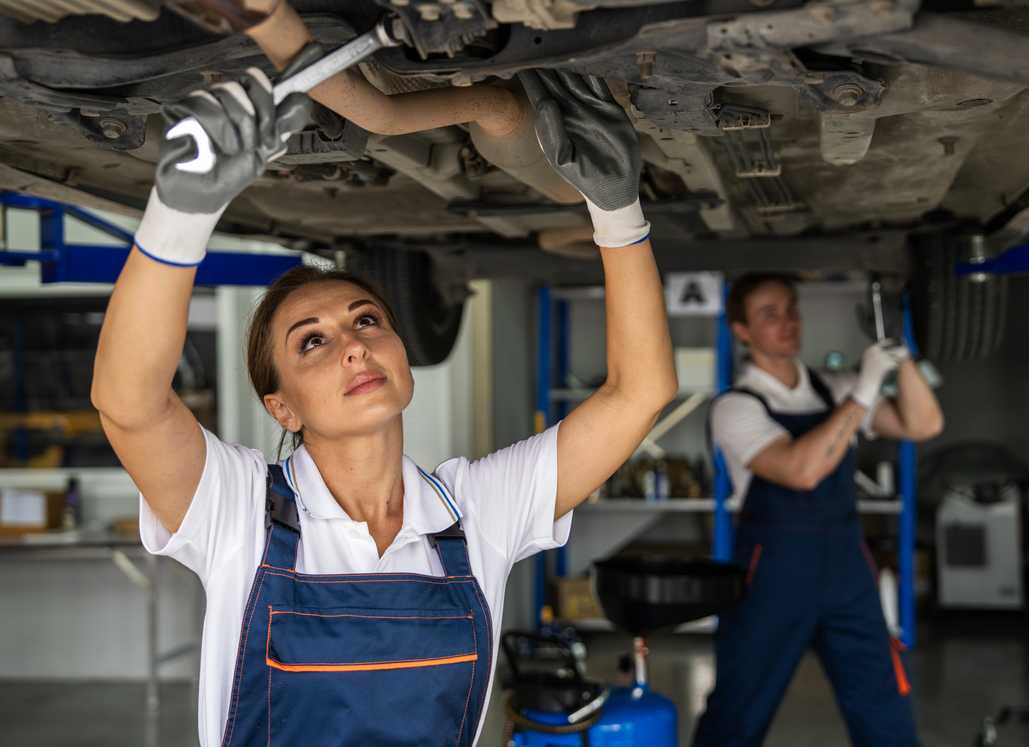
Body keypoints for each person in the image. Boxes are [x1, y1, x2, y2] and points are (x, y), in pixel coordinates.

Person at [90, 65, 676, 747]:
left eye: (366, 321)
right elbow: (129, 403)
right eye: (313, 341)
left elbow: (641, 393)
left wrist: (618, 213)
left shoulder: (473, 513)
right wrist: (179, 214)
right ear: (282, 407)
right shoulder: (240, 512)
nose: (354, 347)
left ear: (403, 352)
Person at [692, 273, 943, 746]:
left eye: (791, 309)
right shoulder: (736, 407)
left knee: (882, 700)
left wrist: (902, 357)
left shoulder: (833, 389)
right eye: (770, 314)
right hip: (774, 572)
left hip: (848, 567)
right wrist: (865, 390)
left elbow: (923, 423)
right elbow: (800, 470)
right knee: (740, 705)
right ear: (741, 330)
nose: (787, 322)